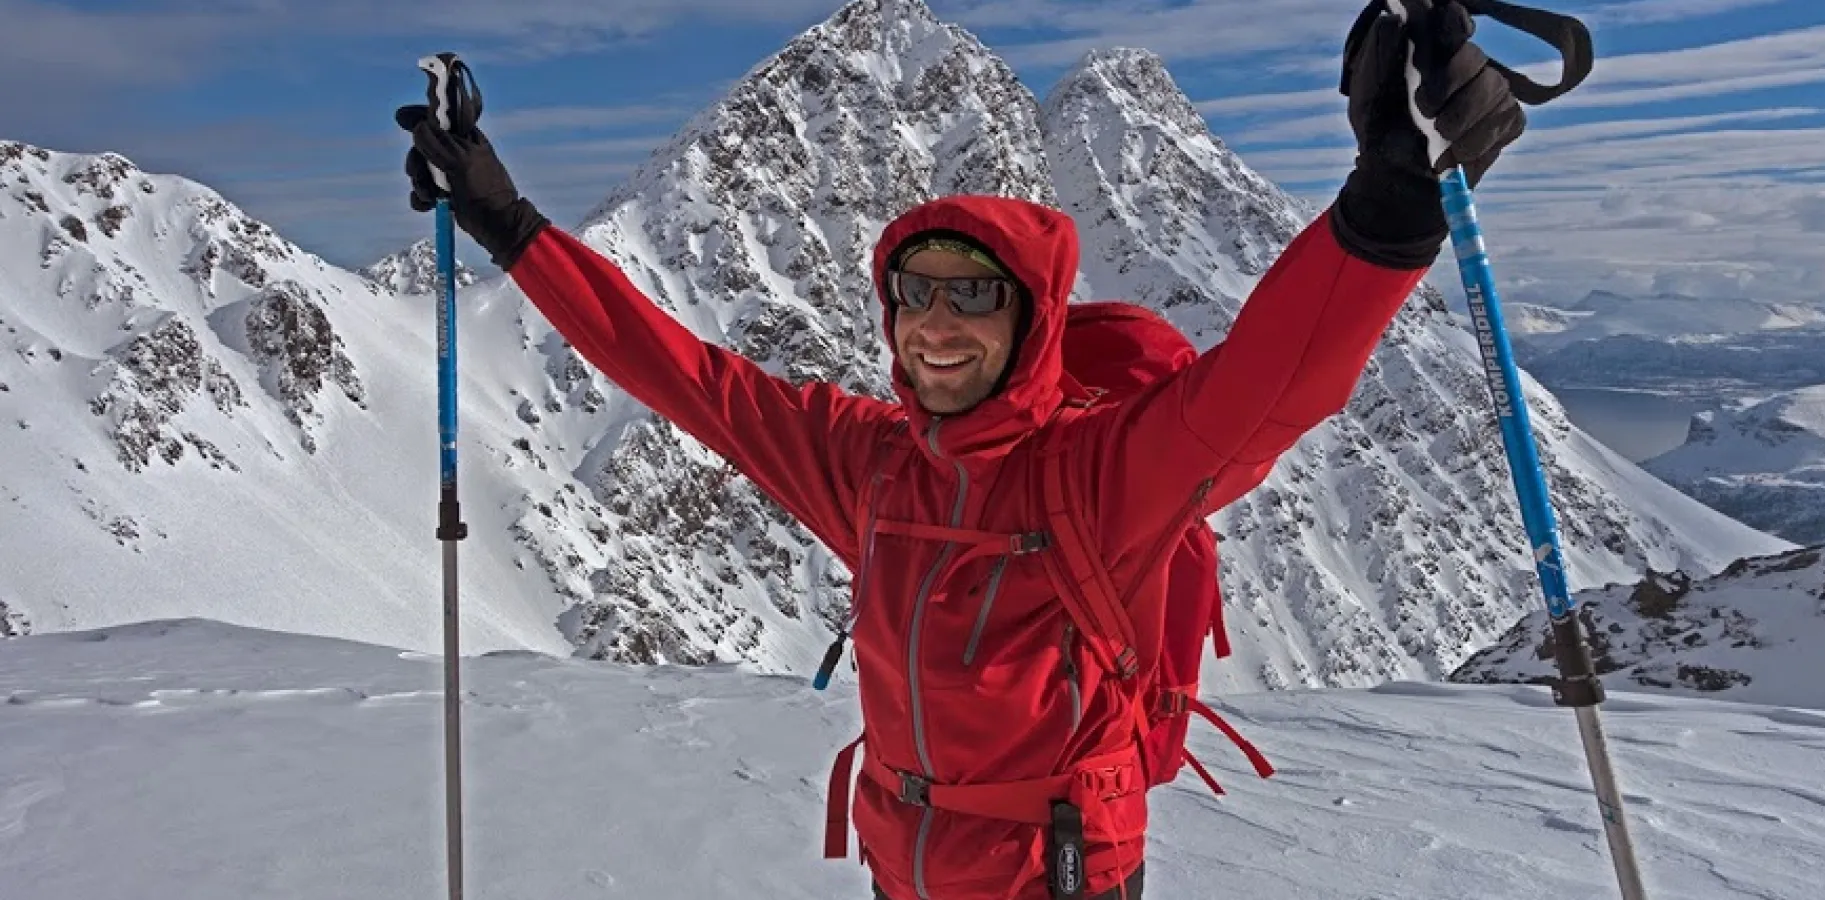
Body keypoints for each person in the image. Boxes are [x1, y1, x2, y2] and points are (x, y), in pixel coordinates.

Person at [395, 1, 1523, 896]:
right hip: (906, 856)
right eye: (912, 292)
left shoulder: (1100, 473)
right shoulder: (868, 460)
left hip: (1059, 874)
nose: (936, 324)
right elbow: (683, 376)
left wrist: (1390, 209)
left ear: (1031, 317)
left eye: (974, 295)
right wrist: (510, 223)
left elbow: (1271, 387)